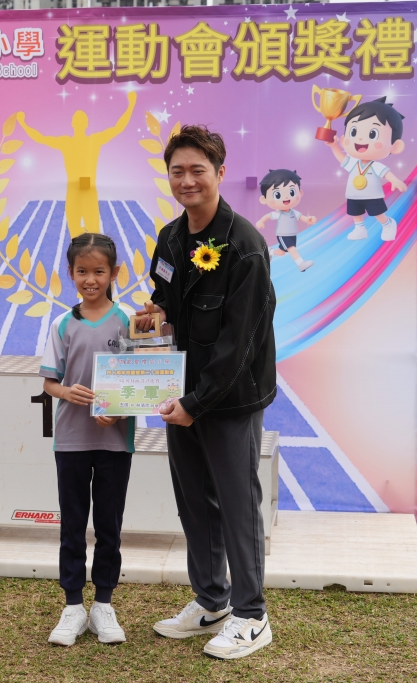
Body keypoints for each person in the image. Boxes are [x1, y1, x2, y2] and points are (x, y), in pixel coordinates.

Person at [136, 125, 277, 660]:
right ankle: (212, 600)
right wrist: (155, 313)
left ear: (219, 172)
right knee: (195, 502)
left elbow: (241, 343)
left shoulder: (245, 247)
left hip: (229, 399)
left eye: (198, 170)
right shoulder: (171, 237)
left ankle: (252, 615)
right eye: (177, 171)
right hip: (181, 395)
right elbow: (165, 295)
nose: (187, 180)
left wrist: (196, 404)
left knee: (237, 504)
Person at [39, 233, 136, 647]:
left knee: (109, 525)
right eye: (82, 271)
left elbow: (142, 381)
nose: (90, 279)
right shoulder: (62, 324)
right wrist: (67, 392)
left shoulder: (129, 322)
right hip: (71, 442)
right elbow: (49, 383)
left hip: (115, 442)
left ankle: (104, 606)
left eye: (99, 271)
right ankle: (73, 606)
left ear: (115, 273)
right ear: (70, 273)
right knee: (73, 524)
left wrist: (121, 409)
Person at [16, 91, 137, 237]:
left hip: (81, 189)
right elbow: (118, 127)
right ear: (84, 124)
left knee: (84, 232)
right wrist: (131, 105)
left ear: (74, 124)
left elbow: (40, 138)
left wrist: (23, 123)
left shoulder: (71, 142)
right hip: (80, 189)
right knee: (84, 232)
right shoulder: (90, 141)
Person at [323, 96, 408, 242]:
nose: (361, 139)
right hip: (353, 195)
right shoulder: (353, 163)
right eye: (354, 132)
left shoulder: (375, 165)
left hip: (373, 195)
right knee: (355, 212)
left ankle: (387, 224)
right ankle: (360, 229)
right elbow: (342, 159)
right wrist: (334, 146)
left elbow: (386, 173)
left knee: (377, 213)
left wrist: (394, 180)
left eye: (372, 134)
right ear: (344, 139)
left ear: (395, 146)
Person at [255, 168, 317, 272]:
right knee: (292, 248)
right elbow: (268, 216)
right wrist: (261, 221)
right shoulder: (279, 213)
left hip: (292, 234)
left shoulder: (293, 212)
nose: (286, 197)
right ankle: (301, 264)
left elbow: (300, 217)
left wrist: (308, 219)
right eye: (277, 194)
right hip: (283, 234)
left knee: (282, 252)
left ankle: (269, 251)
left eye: (292, 192)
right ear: (264, 199)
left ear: (300, 193)